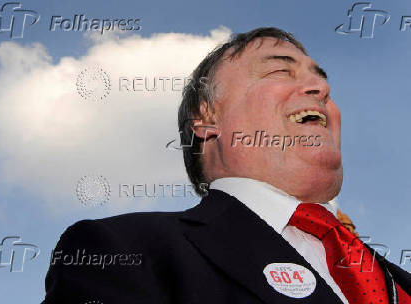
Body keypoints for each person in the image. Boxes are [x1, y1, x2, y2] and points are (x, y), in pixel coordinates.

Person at [42, 27, 411, 304]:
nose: (320, 88)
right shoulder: (120, 251)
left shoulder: (398, 281)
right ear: (206, 118)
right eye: (280, 72)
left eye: (320, 78)